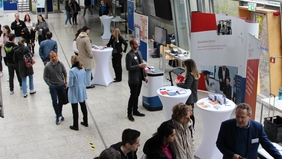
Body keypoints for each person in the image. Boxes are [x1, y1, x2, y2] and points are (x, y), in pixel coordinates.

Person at [216, 103, 282, 159]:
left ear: (249, 116)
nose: (239, 120)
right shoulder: (226, 125)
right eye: (237, 116)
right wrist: (232, 155)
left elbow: (268, 145)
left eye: (242, 117)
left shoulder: (257, 128)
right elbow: (219, 144)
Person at [125, 38, 148, 121]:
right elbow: (128, 67)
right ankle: (129, 113)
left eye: (138, 44)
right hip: (133, 80)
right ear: (131, 45)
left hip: (139, 78)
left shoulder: (139, 53)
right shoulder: (129, 55)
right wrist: (138, 66)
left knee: (137, 95)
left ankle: (135, 110)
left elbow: (142, 65)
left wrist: (145, 75)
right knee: (133, 96)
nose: (137, 45)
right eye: (135, 44)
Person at [43, 51, 68, 125]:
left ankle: (59, 113)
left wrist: (65, 82)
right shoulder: (47, 66)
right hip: (53, 86)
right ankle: (58, 115)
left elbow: (65, 73)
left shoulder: (61, 64)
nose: (54, 58)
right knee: (54, 101)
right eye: (52, 57)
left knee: (61, 100)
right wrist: (49, 84)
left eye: (55, 57)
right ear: (50, 58)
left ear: (57, 56)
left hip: (61, 85)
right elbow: (45, 76)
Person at [176, 59, 200, 128]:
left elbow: (187, 86)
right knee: (191, 113)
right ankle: (192, 127)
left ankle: (191, 127)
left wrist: (179, 84)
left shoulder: (190, 75)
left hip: (190, 98)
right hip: (192, 96)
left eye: (185, 65)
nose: (185, 67)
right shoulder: (194, 74)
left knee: (190, 114)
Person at [68, 55, 88, 131]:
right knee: (83, 105)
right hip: (82, 89)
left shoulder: (72, 71)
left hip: (75, 91)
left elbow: (71, 84)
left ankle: (75, 125)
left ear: (72, 62)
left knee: (75, 108)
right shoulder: (82, 69)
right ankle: (85, 121)